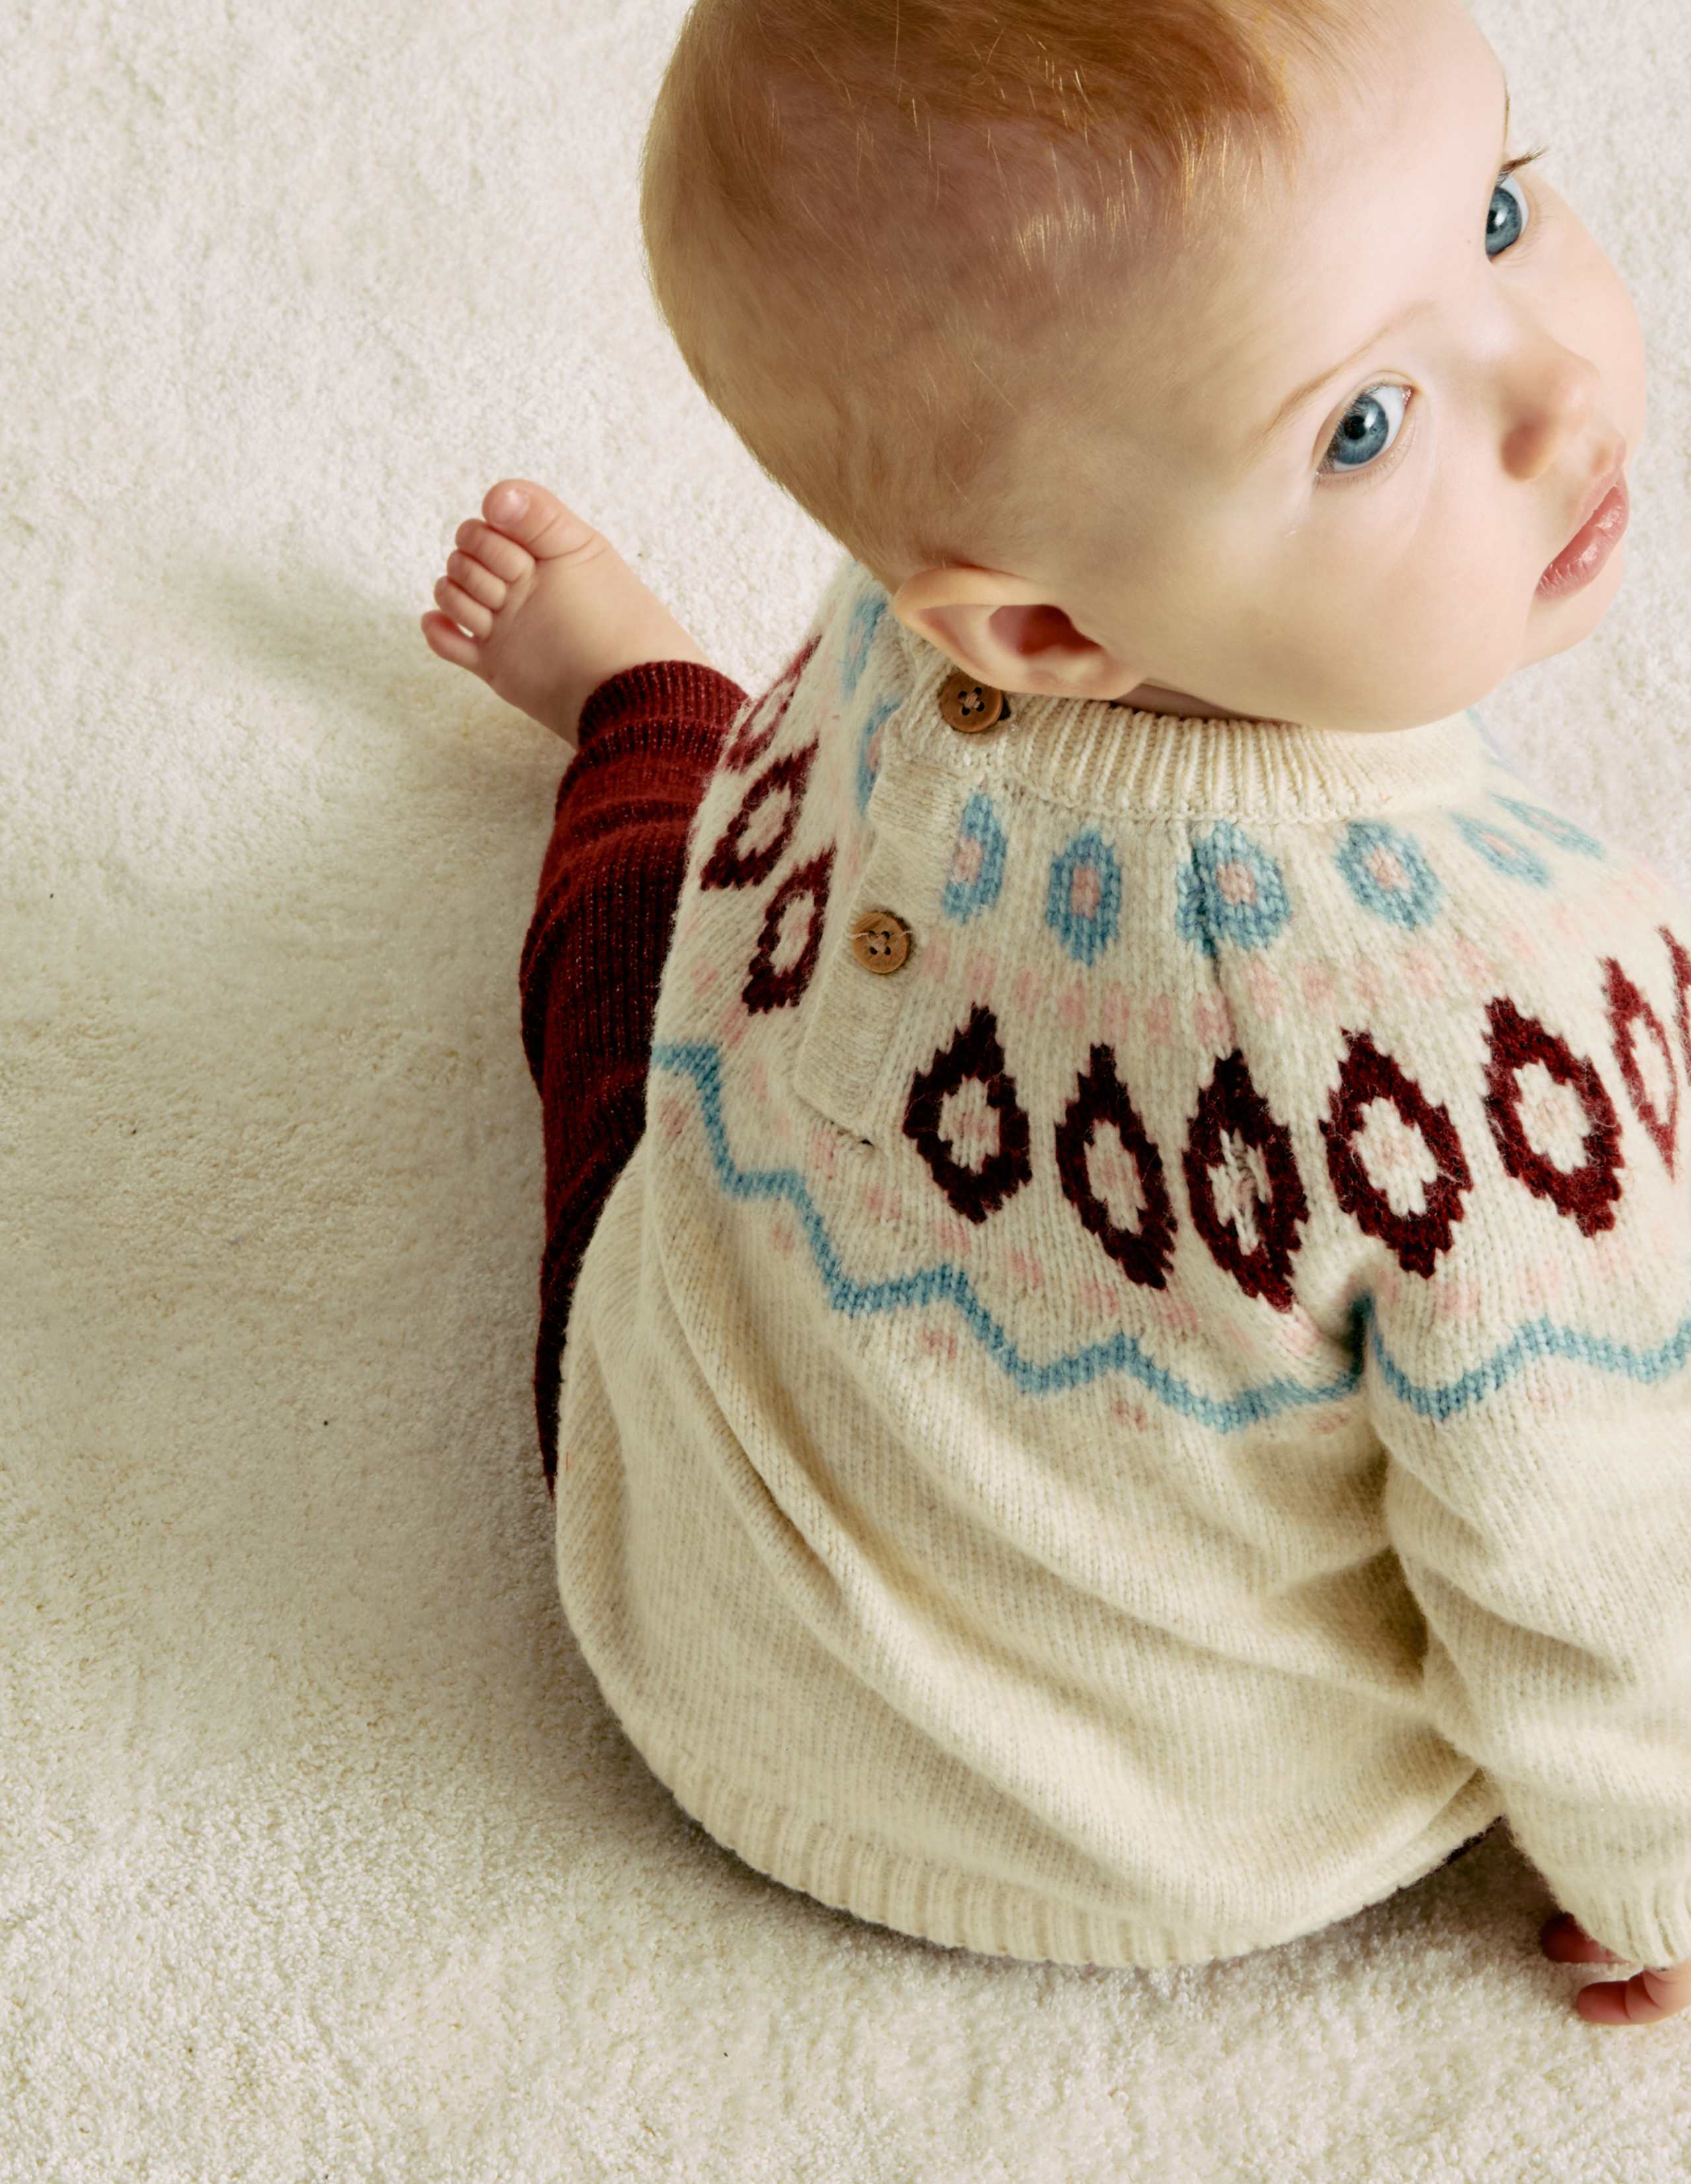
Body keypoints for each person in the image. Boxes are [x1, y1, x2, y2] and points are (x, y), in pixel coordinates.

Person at [419, 0, 1691, 2027]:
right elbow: (1592, 1559)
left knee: (635, 975)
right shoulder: (1498, 1017)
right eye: (1363, 425)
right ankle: (641, 719)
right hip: (1163, 1820)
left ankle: (634, 716)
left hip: (688, 1561)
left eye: (1502, 208)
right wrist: (1654, 1868)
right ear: (1047, 629)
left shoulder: (898, 636)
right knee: (1594, 1324)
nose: (1557, 394)